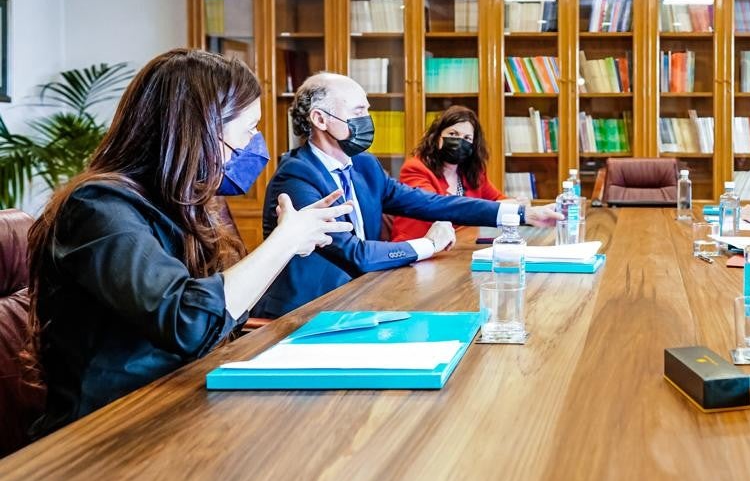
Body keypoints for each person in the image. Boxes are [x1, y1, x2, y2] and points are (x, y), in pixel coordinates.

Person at [25, 49, 354, 434]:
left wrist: (288, 247)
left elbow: (223, 317)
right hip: (111, 429)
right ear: (197, 130)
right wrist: (281, 243)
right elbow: (189, 322)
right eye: (248, 131)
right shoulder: (98, 209)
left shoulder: (184, 204)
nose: (254, 146)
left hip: (184, 402)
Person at [254, 73, 560, 318]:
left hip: (358, 299)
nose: (367, 120)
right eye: (358, 111)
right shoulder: (296, 178)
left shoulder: (363, 166)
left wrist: (521, 214)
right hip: (305, 313)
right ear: (320, 120)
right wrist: (429, 244)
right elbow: (355, 254)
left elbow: (430, 202)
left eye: (367, 111)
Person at [391, 105, 510, 242]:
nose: (460, 142)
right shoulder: (416, 168)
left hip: (458, 247)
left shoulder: (473, 173)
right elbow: (436, 208)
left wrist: (517, 207)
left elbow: (498, 200)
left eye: (467, 138)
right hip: (417, 247)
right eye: (453, 134)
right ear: (437, 138)